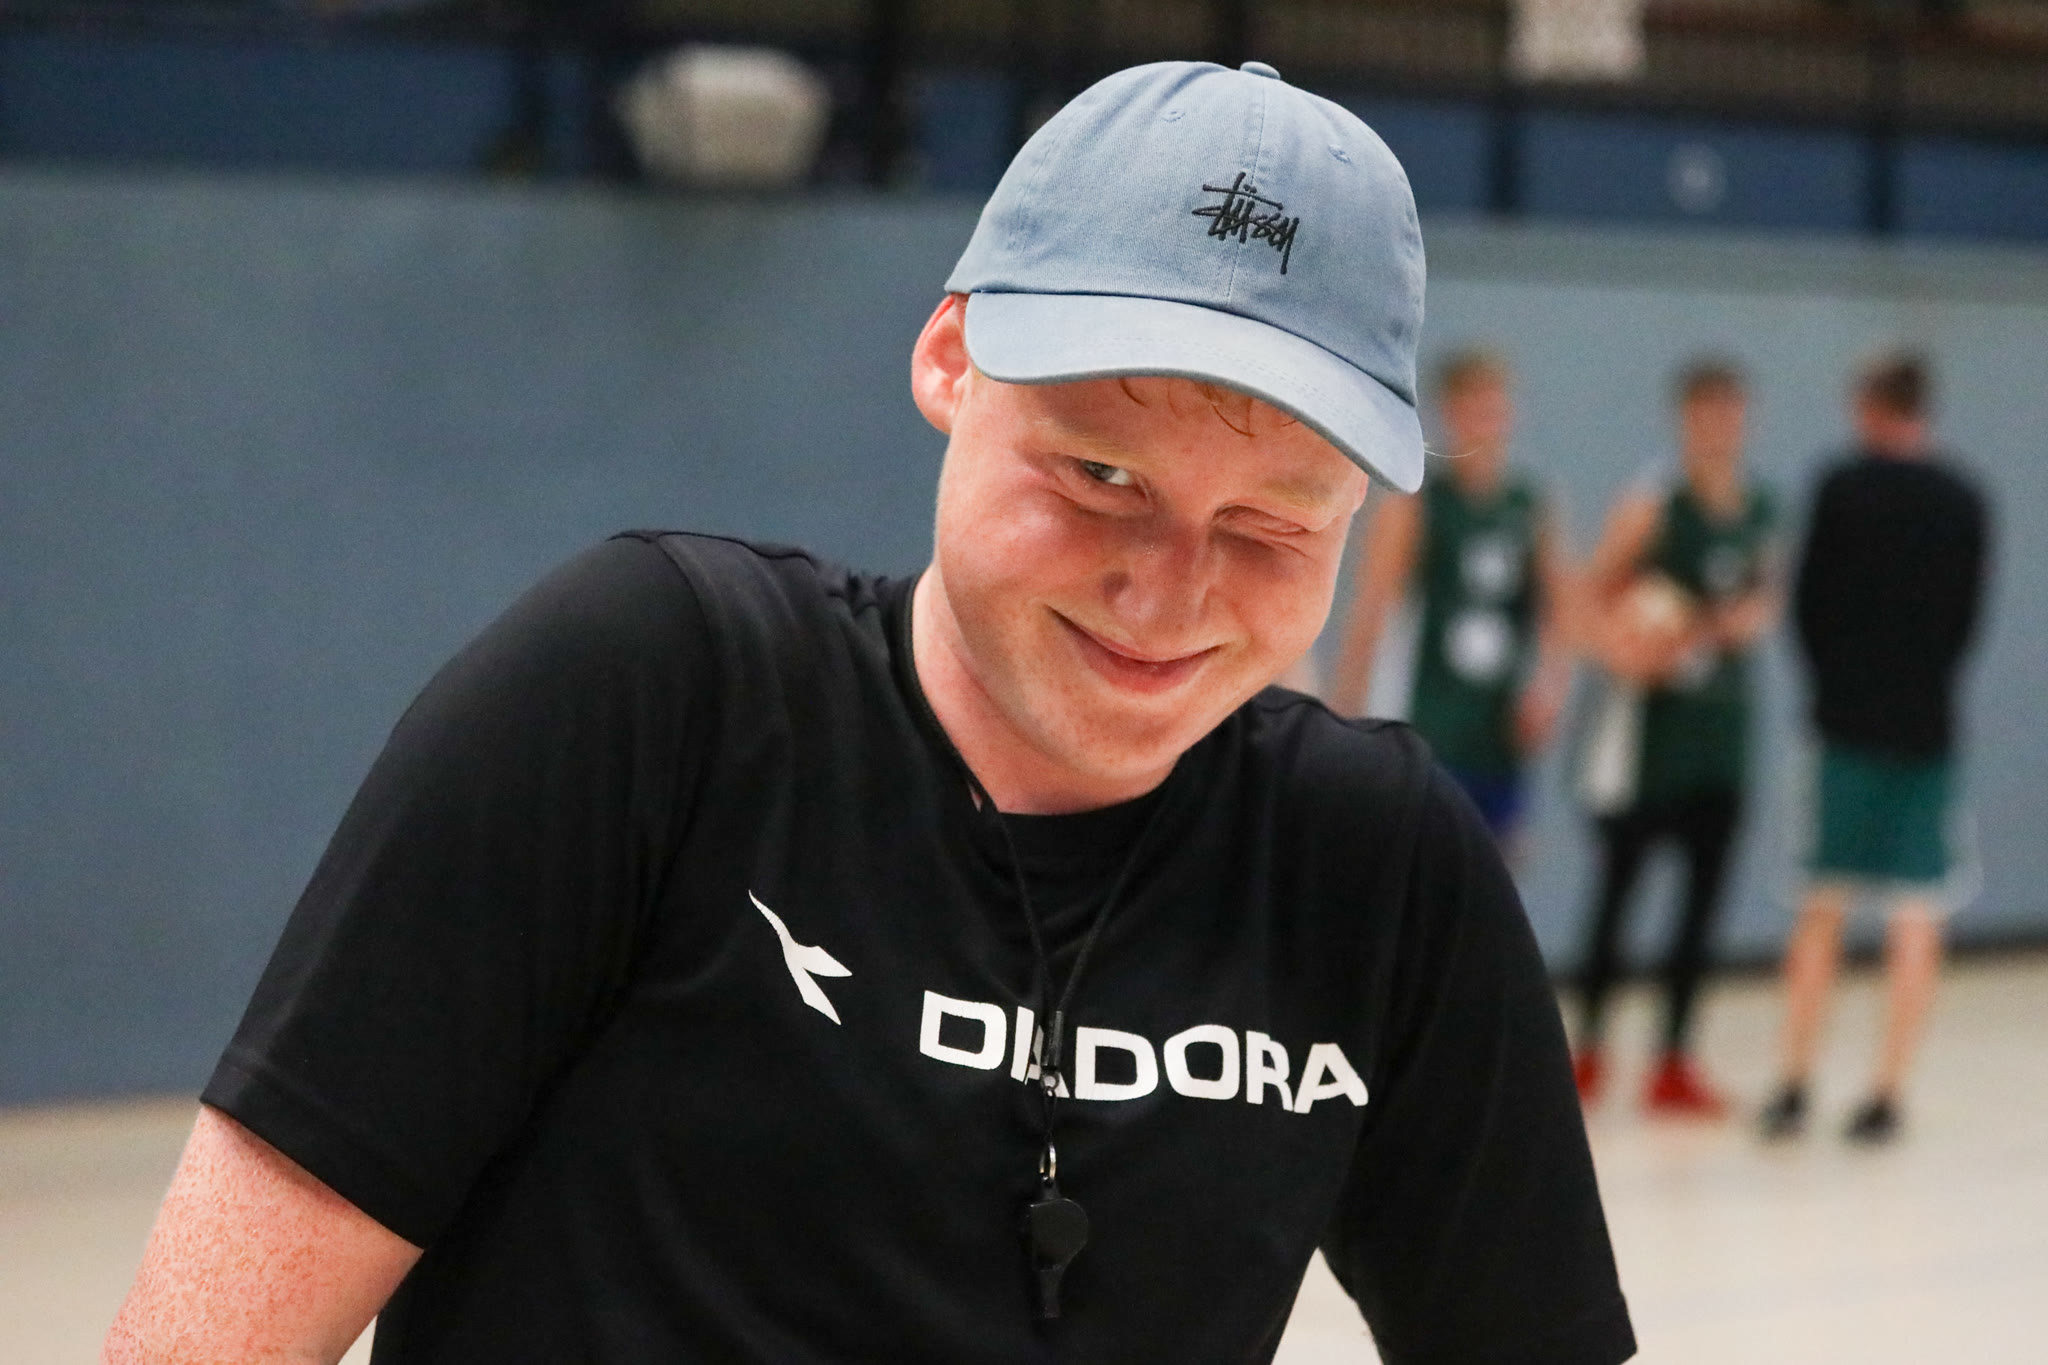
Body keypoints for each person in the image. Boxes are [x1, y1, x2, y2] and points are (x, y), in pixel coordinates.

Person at [105, 61, 1634, 1364]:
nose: (1169, 594)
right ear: (950, 355)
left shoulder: (1379, 875)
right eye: (1101, 475)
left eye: (1270, 524)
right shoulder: (651, 700)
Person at [1758, 351, 1990, 1145]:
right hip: (1927, 729)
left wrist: (1836, 688)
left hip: (1844, 730)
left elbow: (1808, 606)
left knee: (1822, 905)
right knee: (1916, 913)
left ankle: (1794, 1081)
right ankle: (1886, 1092)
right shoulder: (1965, 499)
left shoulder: (1841, 487)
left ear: (1868, 405)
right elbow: (1965, 621)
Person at [1571, 359, 1780, 1117]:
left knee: (1701, 907)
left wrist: (1743, 620)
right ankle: (1589, 1048)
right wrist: (1632, 645)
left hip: (1721, 737)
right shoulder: (1653, 503)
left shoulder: (1761, 507)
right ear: (1685, 419)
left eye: (1732, 413)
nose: (1721, 427)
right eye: (1707, 413)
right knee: (1618, 895)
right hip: (1650, 742)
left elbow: (1764, 599)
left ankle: (1674, 1059)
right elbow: (1590, 596)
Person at [1327, 349, 1574, 844]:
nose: (1484, 422)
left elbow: (1561, 610)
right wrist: (1344, 715)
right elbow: (1371, 611)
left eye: (1493, 407)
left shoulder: (1531, 505)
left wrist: (1550, 685)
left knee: (1495, 861)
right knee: (1421, 855)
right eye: (1471, 408)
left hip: (1498, 732)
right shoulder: (1416, 506)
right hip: (1427, 725)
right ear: (1448, 414)